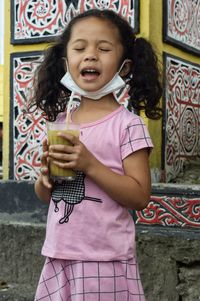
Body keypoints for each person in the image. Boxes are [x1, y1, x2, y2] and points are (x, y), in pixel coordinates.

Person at [31, 9, 162, 301]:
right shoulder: (62, 123)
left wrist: (90, 164)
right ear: (66, 63)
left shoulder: (128, 125)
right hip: (59, 253)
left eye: (103, 48)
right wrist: (45, 179)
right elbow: (45, 196)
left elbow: (140, 197)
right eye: (79, 48)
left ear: (125, 67)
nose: (90, 55)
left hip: (104, 258)